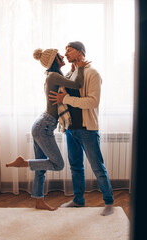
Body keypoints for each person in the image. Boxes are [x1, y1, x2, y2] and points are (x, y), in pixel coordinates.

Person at [6, 48, 90, 211]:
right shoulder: (54, 76)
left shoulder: (52, 76)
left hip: (41, 125)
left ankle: (38, 201)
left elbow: (67, 82)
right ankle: (24, 163)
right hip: (44, 127)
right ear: (54, 60)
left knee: (41, 166)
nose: (62, 56)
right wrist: (80, 68)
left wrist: (73, 70)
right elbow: (78, 84)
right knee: (58, 164)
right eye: (59, 56)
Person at [49, 41, 114, 216]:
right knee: (76, 166)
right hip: (70, 128)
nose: (66, 53)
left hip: (87, 129)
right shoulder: (70, 74)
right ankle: (78, 200)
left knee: (97, 167)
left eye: (69, 50)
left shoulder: (92, 73)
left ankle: (109, 203)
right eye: (65, 51)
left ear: (79, 52)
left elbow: (93, 102)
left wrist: (66, 99)